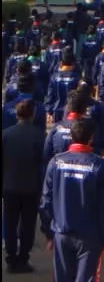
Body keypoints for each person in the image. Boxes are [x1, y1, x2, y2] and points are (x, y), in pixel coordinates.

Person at [39, 118, 104, 282]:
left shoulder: (56, 162)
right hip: (89, 237)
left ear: (71, 137)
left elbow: (45, 201)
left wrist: (49, 232)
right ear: (91, 138)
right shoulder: (100, 165)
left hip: (62, 232)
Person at [3, 98, 43, 273]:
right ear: (32, 114)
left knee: (10, 224)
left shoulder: (5, 134)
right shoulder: (40, 135)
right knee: (28, 225)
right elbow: (43, 164)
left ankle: (11, 260)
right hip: (31, 187)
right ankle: (23, 259)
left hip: (9, 187)